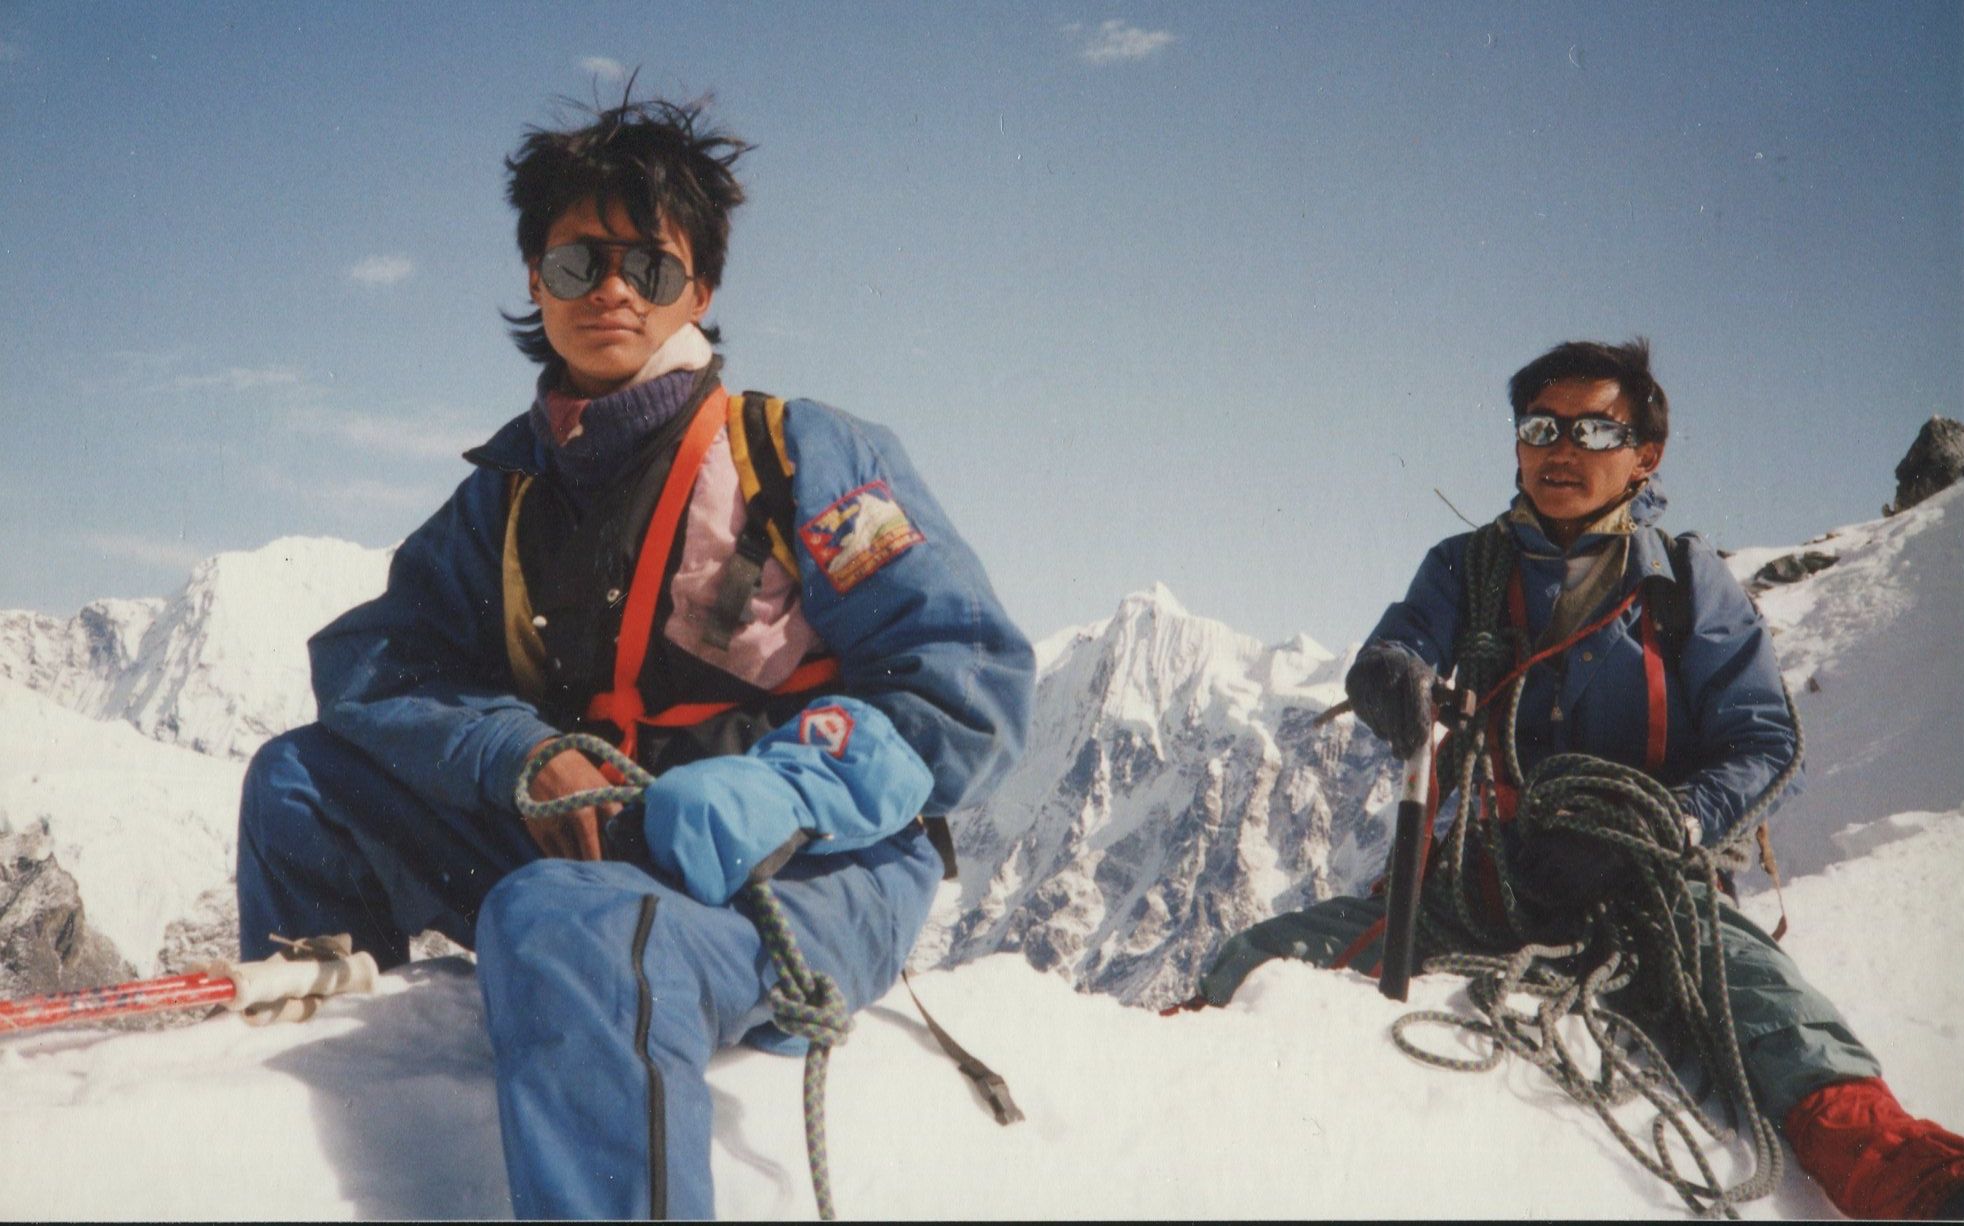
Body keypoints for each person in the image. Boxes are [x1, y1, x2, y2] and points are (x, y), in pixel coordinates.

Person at [235, 95, 1034, 1218]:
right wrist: (515, 748)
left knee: (557, 923)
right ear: (534, 277)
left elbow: (966, 682)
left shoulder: (797, 455)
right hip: (594, 843)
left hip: (801, 872)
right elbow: (378, 665)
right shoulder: (506, 498)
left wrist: (779, 787)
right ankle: (300, 1106)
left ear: (699, 290)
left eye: (650, 267)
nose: (612, 288)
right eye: (578, 258)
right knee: (300, 782)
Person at [1194, 339, 1964, 1219]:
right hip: (1485, 878)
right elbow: (1406, 640)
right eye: (1542, 426)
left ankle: (1913, 1179)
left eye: (1597, 430)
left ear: (1646, 456)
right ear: (1518, 444)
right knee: (1258, 959)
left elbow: (1761, 739)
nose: (1563, 448)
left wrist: (1667, 824)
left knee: (1779, 1019)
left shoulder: (1686, 585)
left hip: (1653, 891)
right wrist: (1389, 674)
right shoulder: (1466, 568)